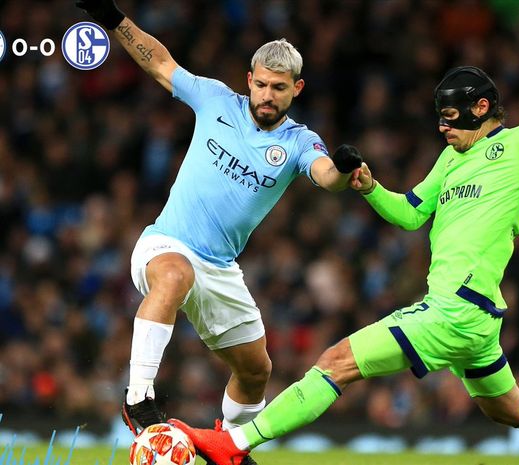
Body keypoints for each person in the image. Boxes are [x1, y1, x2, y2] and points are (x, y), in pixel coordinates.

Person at [170, 65, 519, 465]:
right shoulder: (451, 159)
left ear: (481, 107)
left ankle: (230, 444)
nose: (443, 129)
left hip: (453, 310)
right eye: (440, 120)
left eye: (450, 119)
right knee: (509, 408)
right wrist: (372, 188)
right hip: (475, 319)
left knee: (335, 363)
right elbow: (410, 214)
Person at [75, 0, 363, 440]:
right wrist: (114, 19)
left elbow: (326, 178)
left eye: (279, 88)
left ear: (297, 89)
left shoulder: (300, 141)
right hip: (167, 244)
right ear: (249, 80)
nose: (267, 96)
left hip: (221, 267)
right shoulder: (215, 100)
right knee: (174, 275)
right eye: (262, 85)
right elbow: (160, 63)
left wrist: (342, 170)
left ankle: (231, 445)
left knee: (255, 370)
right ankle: (137, 398)